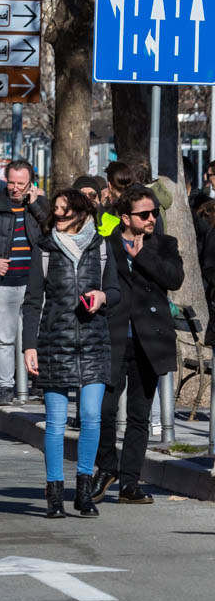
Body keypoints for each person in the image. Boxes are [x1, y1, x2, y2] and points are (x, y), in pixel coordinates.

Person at [21, 190, 112, 519]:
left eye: (64, 210)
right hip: (54, 342)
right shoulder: (44, 249)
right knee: (56, 424)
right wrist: (29, 345)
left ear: (81, 211)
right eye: (55, 210)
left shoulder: (100, 246)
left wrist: (101, 296)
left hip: (94, 342)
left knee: (91, 417)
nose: (57, 214)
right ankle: (55, 493)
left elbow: (114, 290)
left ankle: (84, 491)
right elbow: (32, 301)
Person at [94, 186, 182, 506]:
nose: (151, 218)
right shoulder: (107, 244)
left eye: (154, 213)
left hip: (149, 341)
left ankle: (130, 482)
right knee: (102, 410)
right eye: (144, 214)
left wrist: (141, 255)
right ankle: (107, 468)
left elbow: (174, 279)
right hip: (113, 339)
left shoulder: (164, 244)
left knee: (139, 416)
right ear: (125, 217)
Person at [0, 160, 50, 405]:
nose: (15, 189)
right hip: (1, 282)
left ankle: (36, 384)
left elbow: (50, 232)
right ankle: (6, 387)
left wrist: (35, 204)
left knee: (35, 336)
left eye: (21, 184)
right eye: (11, 183)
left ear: (31, 184)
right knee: (3, 337)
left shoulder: (40, 205)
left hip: (34, 284)